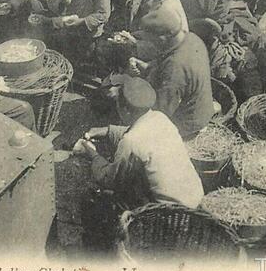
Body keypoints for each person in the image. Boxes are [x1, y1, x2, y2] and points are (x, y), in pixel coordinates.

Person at [73, 76, 204, 209]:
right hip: (194, 197)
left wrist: (92, 154)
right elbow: (142, 133)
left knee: (102, 197)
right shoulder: (160, 118)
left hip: (168, 212)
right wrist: (108, 130)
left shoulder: (130, 141)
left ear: (125, 110)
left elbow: (108, 179)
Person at [127, 8, 214, 138]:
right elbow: (167, 62)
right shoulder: (192, 38)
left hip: (187, 123)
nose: (150, 44)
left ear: (163, 38)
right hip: (199, 108)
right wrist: (148, 67)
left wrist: (128, 90)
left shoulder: (175, 67)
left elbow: (160, 112)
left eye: (151, 40)